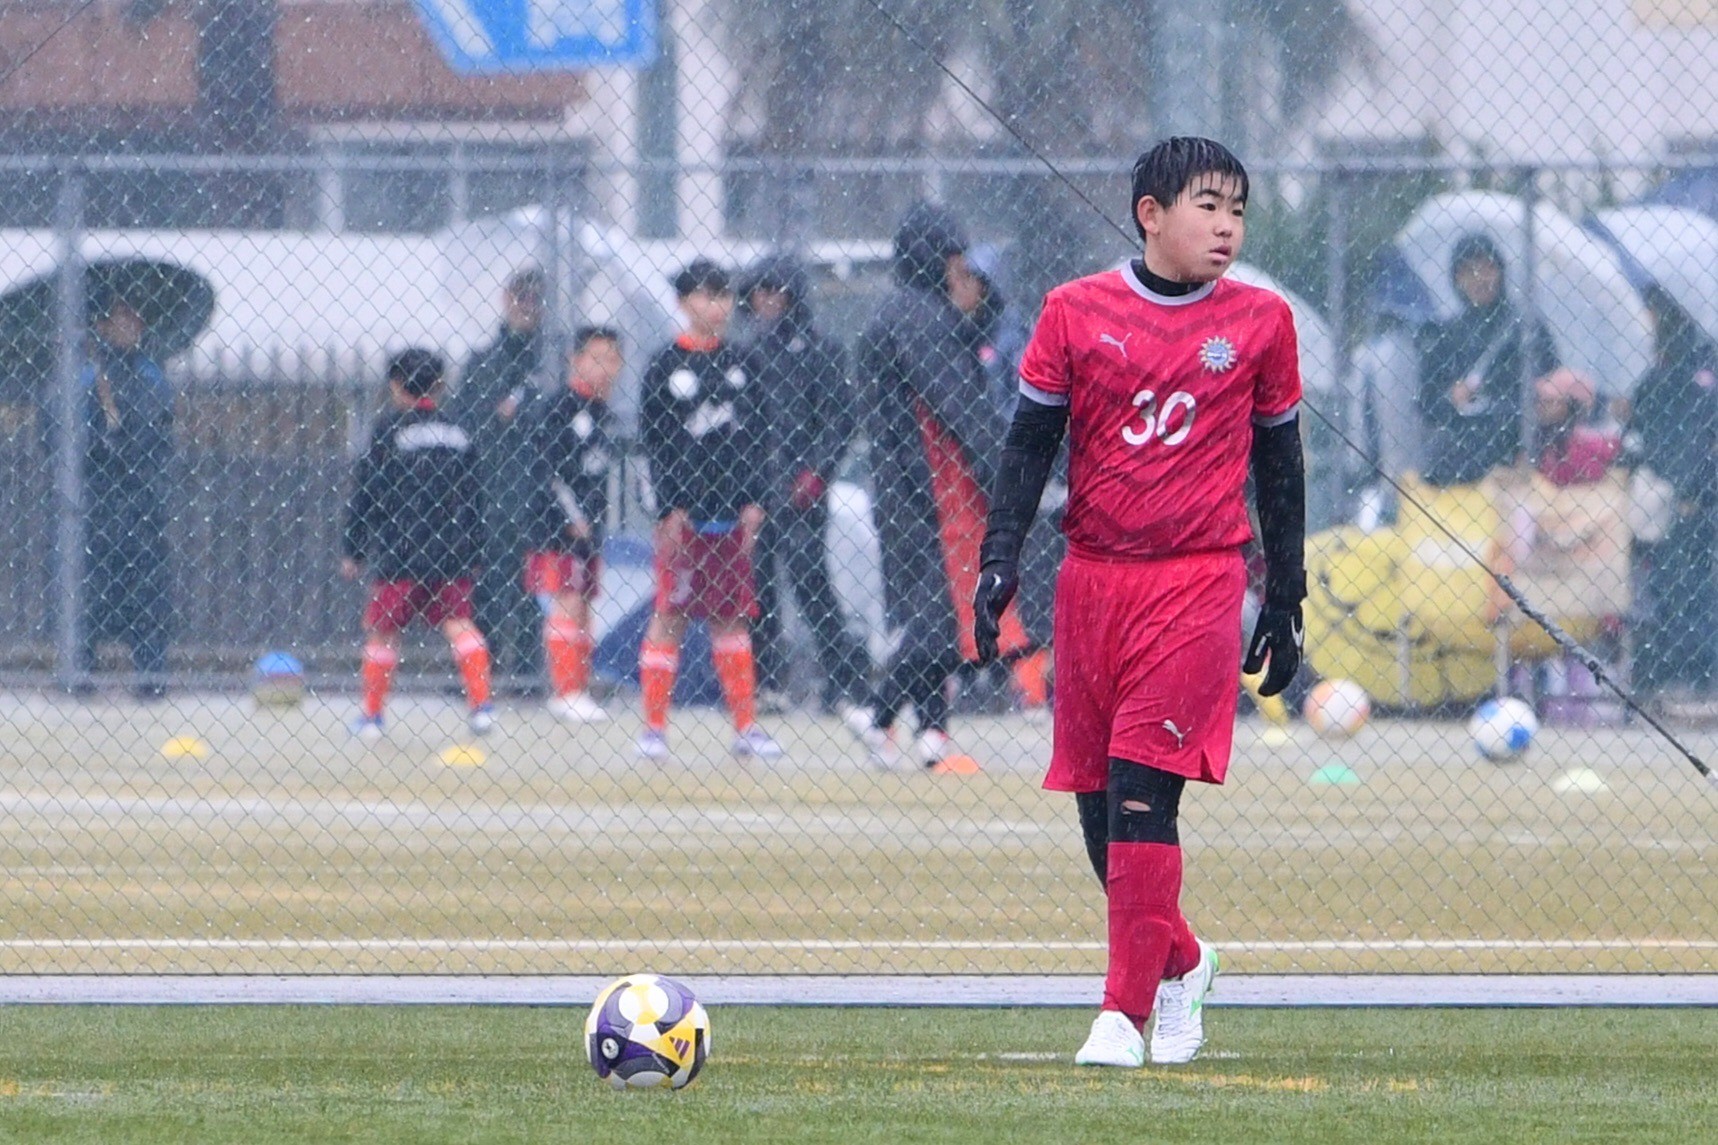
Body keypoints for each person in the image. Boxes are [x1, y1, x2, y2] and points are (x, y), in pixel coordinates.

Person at [974, 138, 1305, 1067]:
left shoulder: (1262, 321)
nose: (1228, 226)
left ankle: (1120, 1017)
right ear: (1150, 214)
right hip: (1092, 582)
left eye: (1238, 210)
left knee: (1142, 797)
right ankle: (1184, 962)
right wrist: (998, 560)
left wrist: (1285, 591)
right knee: (1100, 813)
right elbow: (1028, 445)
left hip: (1198, 581)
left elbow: (1282, 465)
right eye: (1209, 205)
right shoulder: (1074, 311)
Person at [855, 202, 1026, 770]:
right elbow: (961, 407)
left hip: (902, 485)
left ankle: (931, 735)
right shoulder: (923, 320)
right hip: (927, 490)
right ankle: (879, 714)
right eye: (953, 257)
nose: (960, 270)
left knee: (932, 610)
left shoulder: (900, 313)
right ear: (935, 257)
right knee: (940, 616)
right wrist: (1010, 468)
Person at [636, 258, 783, 760]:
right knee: (670, 615)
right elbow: (654, 445)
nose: (716, 305)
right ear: (682, 302)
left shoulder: (743, 363)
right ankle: (654, 729)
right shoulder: (664, 366)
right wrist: (667, 507)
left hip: (730, 515)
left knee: (731, 617)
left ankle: (746, 727)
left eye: (722, 295)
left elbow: (760, 438)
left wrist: (756, 500)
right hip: (684, 517)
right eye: (704, 295)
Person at [735, 253, 872, 719]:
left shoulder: (820, 350)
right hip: (757, 490)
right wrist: (745, 486)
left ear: (793, 296)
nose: (767, 301)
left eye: (776, 291)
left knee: (812, 584)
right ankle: (766, 683)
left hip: (802, 491)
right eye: (760, 292)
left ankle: (842, 682)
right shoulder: (745, 354)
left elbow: (841, 416)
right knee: (757, 588)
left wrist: (818, 470)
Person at [341, 349, 493, 739]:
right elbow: (475, 496)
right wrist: (476, 549)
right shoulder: (459, 431)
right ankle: (481, 707)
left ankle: (372, 717)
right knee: (460, 625)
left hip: (401, 550)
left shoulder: (389, 430)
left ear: (395, 385)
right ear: (439, 385)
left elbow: (368, 492)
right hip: (451, 551)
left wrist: (354, 548)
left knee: (383, 631)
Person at [449, 268, 550, 690]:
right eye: (520, 296)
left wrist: (522, 412)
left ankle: (527, 670)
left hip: (539, 489)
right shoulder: (484, 363)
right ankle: (479, 671)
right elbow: (466, 423)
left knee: (533, 584)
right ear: (506, 298)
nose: (527, 305)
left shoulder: (551, 361)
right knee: (486, 582)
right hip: (490, 488)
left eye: (535, 297)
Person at [77, 290, 175, 698]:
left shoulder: (151, 376)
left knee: (147, 595)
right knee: (89, 592)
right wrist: (100, 442)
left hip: (142, 506)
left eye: (136, 317)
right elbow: (64, 434)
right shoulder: (85, 376)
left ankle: (151, 677)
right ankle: (80, 673)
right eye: (121, 317)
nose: (131, 325)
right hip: (95, 507)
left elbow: (160, 432)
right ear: (102, 325)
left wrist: (130, 440)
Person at [524, 326, 622, 723]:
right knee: (566, 600)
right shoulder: (560, 409)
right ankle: (564, 691)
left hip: (590, 528)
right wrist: (572, 517)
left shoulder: (604, 414)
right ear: (575, 361)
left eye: (612, 359)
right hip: (558, 528)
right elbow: (548, 471)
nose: (605, 368)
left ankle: (578, 687)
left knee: (583, 604)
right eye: (596, 358)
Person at [1628, 289, 1718, 694]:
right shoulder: (1658, 373)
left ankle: (1700, 675)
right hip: (1668, 499)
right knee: (1670, 586)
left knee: (1696, 586)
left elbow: (1699, 435)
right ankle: (1679, 673)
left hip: (1699, 496)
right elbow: (1645, 430)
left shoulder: (1701, 368)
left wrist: (1693, 486)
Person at [1415, 233, 1559, 487]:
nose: (1480, 278)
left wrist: (1503, 398)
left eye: (1487, 268)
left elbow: (1549, 382)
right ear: (1456, 279)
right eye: (1469, 271)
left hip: (1516, 440)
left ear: (1501, 272)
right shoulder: (1447, 335)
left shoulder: (1525, 327)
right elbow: (1426, 402)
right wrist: (1451, 398)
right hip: (1462, 444)